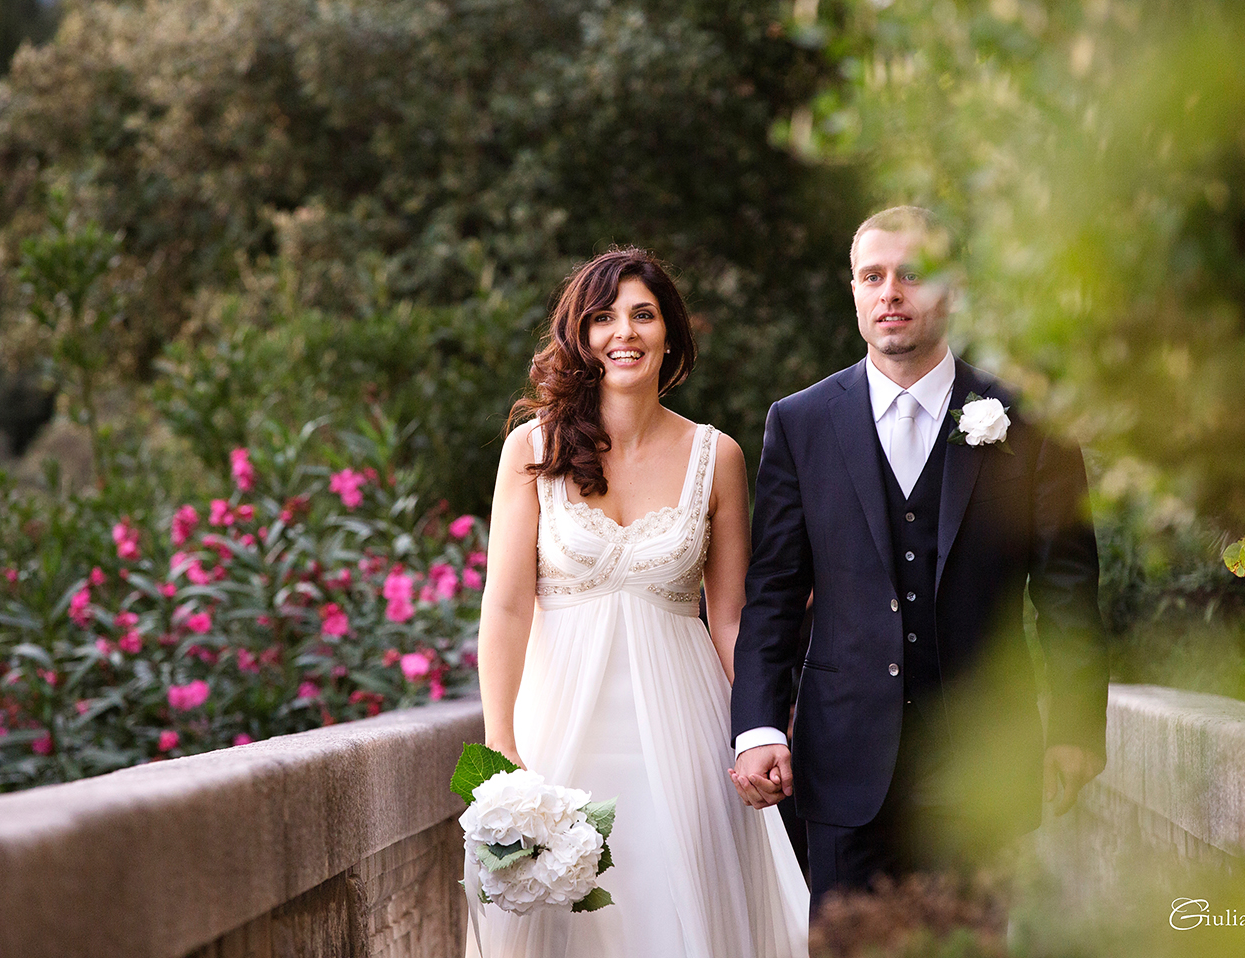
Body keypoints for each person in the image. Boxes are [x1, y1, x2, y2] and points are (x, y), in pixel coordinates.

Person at [729, 206, 1109, 912]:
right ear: (853, 292)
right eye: (871, 276)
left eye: (911, 275)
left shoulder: (1032, 419)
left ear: (952, 291)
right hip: (843, 760)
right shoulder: (801, 422)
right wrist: (755, 727)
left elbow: (1068, 587)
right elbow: (775, 589)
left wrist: (1076, 729)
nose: (890, 292)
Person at [472, 247, 810, 957]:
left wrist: (762, 725)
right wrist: (500, 741)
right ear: (581, 336)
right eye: (603, 317)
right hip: (559, 732)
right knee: (564, 925)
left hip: (687, 731)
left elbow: (730, 616)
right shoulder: (531, 450)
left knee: (673, 915)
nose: (623, 332)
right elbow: (505, 607)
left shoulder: (716, 457)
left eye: (643, 315)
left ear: (670, 334)